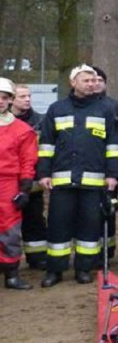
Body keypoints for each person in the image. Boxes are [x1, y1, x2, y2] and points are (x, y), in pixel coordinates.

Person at [37, 65, 118, 286]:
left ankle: (83, 269)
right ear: (73, 83)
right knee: (58, 225)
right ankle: (55, 271)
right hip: (62, 181)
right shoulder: (56, 109)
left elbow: (112, 146)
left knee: (89, 226)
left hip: (93, 182)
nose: (92, 84)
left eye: (94, 81)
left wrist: (113, 174)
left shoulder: (105, 110)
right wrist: (43, 173)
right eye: (86, 80)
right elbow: (46, 144)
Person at [0, 77, 37, 290]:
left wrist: (24, 189)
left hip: (7, 183)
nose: (0, 101)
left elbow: (27, 161)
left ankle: (11, 274)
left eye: (4, 98)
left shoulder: (22, 130)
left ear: (11, 100)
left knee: (9, 229)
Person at [11, 84, 46, 269]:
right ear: (12, 99)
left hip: (32, 182)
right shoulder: (5, 121)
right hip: (9, 182)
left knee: (34, 221)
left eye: (29, 96)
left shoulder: (40, 121)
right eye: (22, 96)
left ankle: (38, 257)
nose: (27, 99)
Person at [93, 67, 118, 262]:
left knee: (109, 209)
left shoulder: (116, 107)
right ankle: (92, 251)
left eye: (99, 80)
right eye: (92, 80)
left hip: (109, 170)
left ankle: (108, 249)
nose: (96, 84)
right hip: (88, 170)